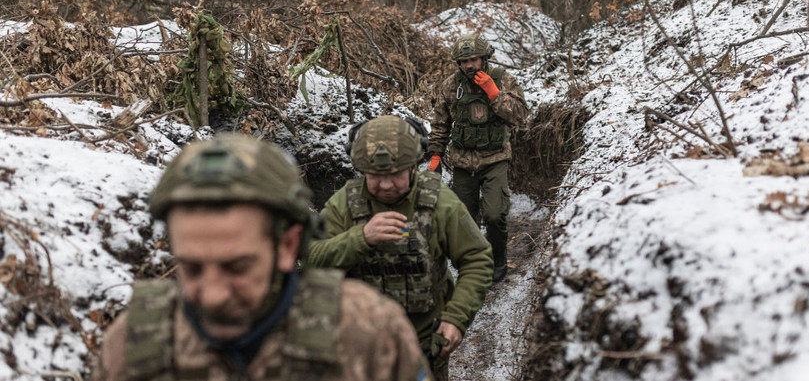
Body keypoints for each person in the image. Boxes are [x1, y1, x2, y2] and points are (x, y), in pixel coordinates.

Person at [92, 134, 432, 381]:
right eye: (191, 268)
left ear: (286, 247)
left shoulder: (367, 332)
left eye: (237, 267)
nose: (212, 294)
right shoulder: (134, 347)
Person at [306, 115, 493, 381]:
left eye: (395, 175)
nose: (385, 185)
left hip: (425, 342)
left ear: (413, 168)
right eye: (375, 176)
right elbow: (311, 259)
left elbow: (477, 257)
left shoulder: (440, 203)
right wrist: (361, 238)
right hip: (359, 344)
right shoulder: (344, 205)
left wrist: (455, 318)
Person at [427, 33, 528, 283]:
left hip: (495, 158)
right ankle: (472, 264)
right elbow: (440, 122)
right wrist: (435, 157)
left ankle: (499, 257)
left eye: (473, 59)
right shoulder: (452, 85)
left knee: (494, 214)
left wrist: (495, 94)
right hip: (462, 162)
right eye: (464, 61)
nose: (469, 65)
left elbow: (520, 116)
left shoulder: (503, 80)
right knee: (464, 218)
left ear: (484, 58)